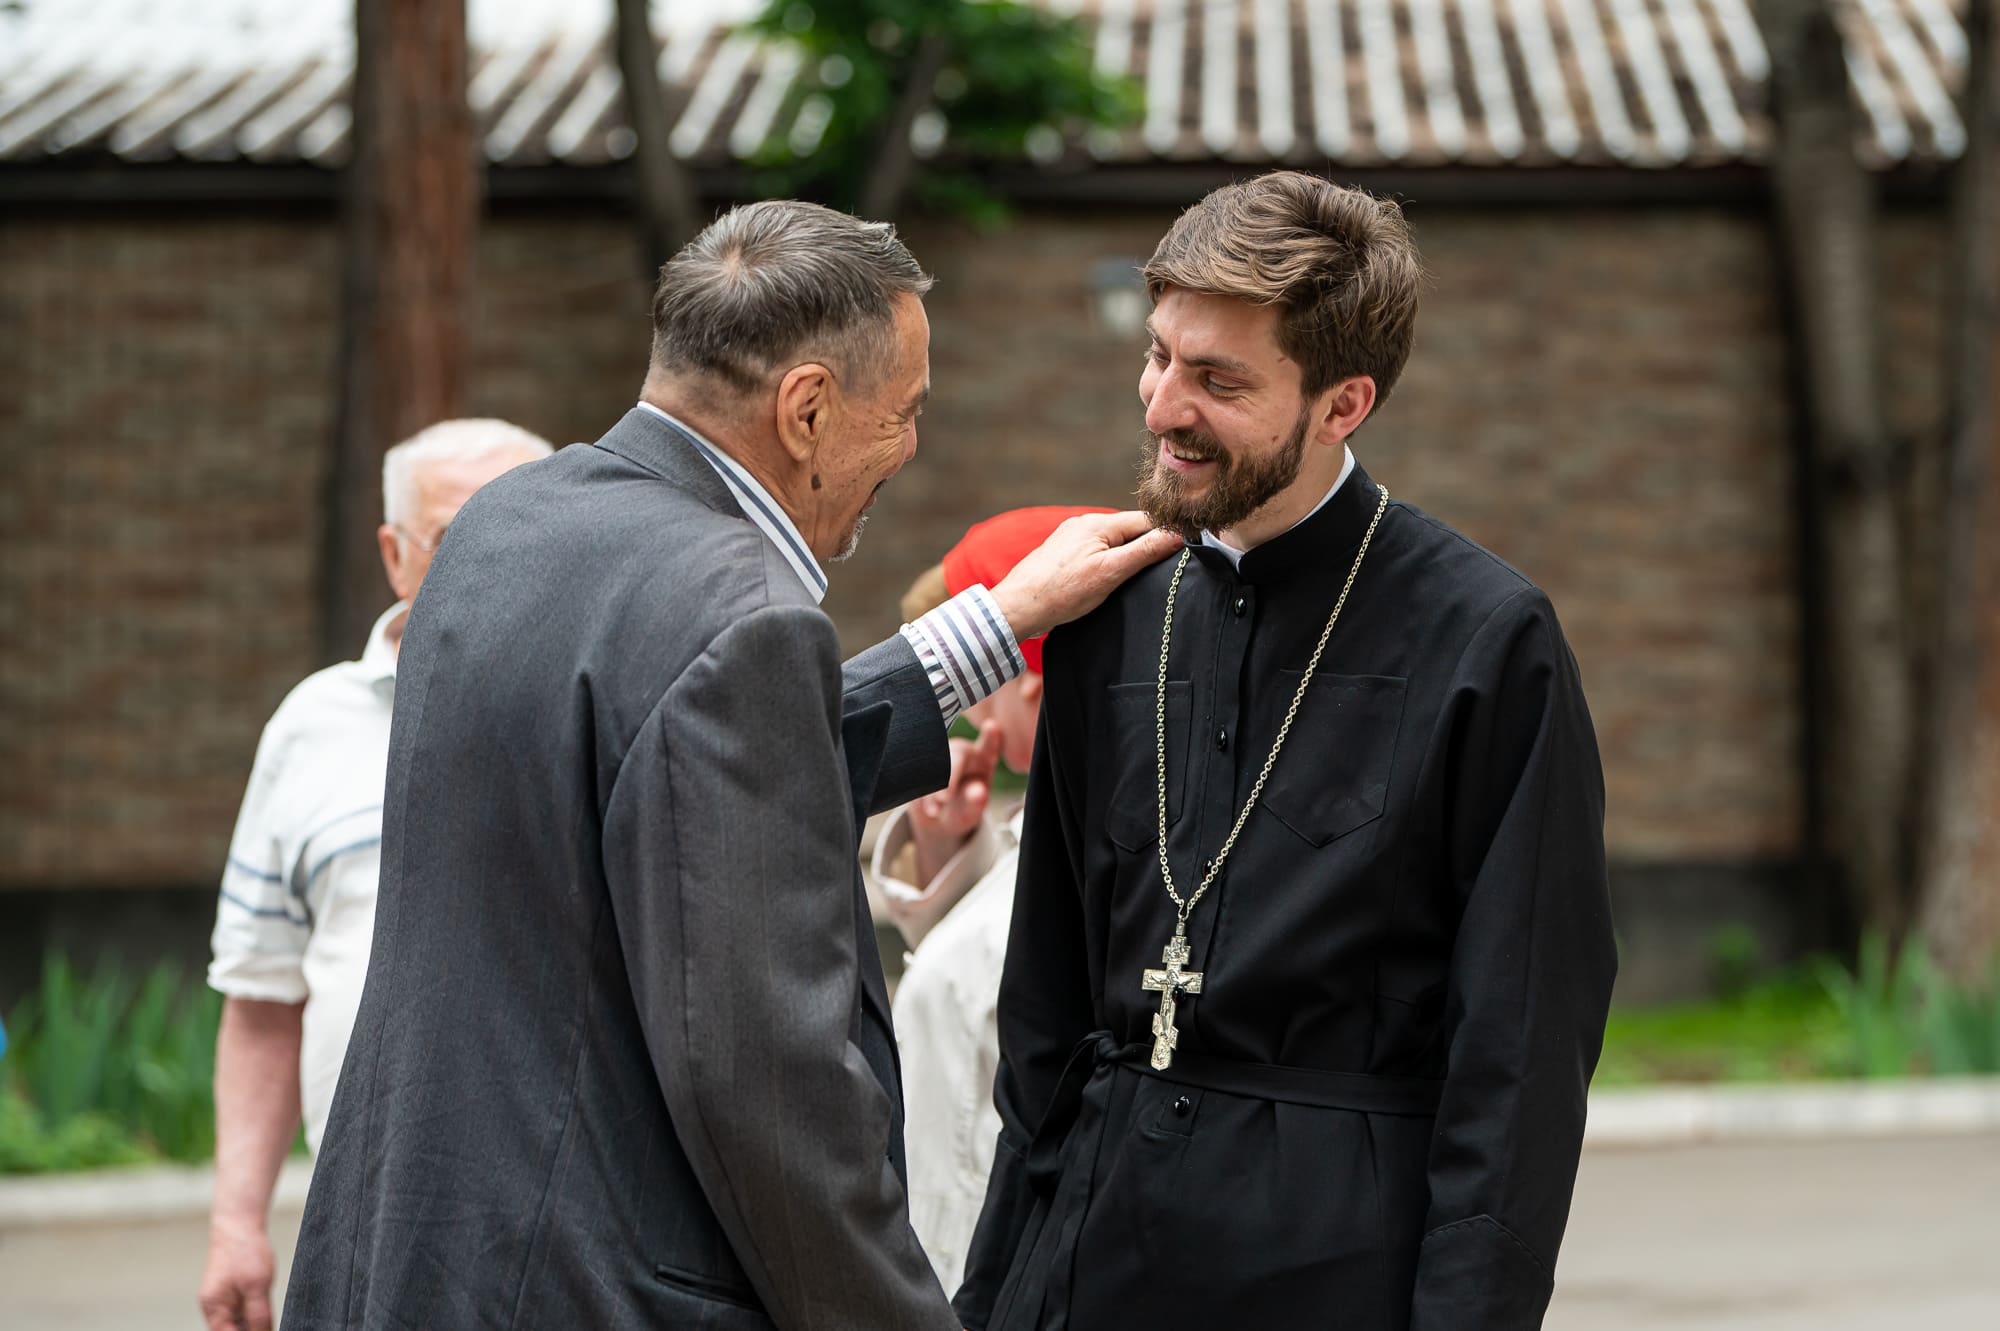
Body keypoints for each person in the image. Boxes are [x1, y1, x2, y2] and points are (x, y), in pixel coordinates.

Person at [281, 200, 1178, 1331]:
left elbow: (667, 772)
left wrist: (992, 623)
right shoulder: (741, 614)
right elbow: (768, 1091)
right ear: (805, 408)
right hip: (592, 1286)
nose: (909, 448)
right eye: (901, 413)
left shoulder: (509, 526)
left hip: (404, 1256)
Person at [955, 172, 1617, 1331]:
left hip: (1334, 1268)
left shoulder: (1482, 637)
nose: (1163, 406)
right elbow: (1044, 1013)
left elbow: (1517, 1052)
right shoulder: (1111, 608)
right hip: (1088, 1263)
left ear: (1341, 402)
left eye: (1217, 380)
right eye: (1159, 356)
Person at [197, 419, 552, 1331]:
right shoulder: (309, 727)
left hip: (565, 1236)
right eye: (458, 535)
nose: (499, 560)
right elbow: (264, 998)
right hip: (358, 1233)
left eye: (528, 525)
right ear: (395, 555)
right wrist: (237, 1221)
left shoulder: (611, 705)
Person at [873, 506, 1111, 1292]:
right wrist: (946, 845)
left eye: (977, 684)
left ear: (1031, 680)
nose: (964, 712)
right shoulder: (1040, 812)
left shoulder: (1099, 842)